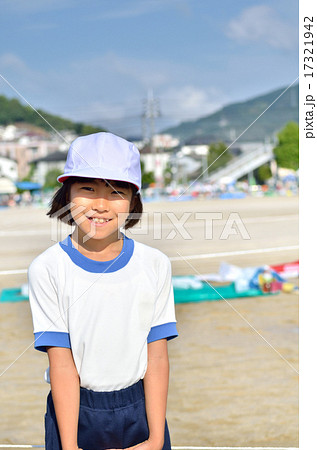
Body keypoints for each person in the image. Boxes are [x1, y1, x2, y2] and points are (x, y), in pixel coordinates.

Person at [28, 132, 178, 450]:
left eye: (116, 191)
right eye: (87, 188)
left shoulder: (154, 264)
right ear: (66, 194)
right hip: (75, 412)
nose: (100, 204)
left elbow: (157, 355)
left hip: (141, 409)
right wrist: (70, 447)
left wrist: (154, 440)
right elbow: (62, 363)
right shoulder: (47, 268)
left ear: (133, 199)